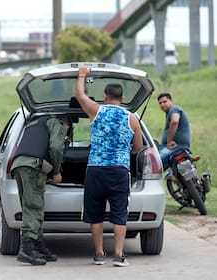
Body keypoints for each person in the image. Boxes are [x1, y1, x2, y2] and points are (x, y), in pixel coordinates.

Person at [75, 66, 143, 267]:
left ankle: (98, 254)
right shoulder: (132, 118)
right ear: (122, 98)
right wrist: (124, 149)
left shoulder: (96, 111)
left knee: (95, 214)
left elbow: (79, 95)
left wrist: (81, 75)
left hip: (96, 169)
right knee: (120, 213)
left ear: (105, 97)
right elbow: (138, 147)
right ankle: (119, 254)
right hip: (120, 171)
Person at [10, 115, 71, 265]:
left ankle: (39, 246)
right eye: (67, 131)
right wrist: (56, 171)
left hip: (18, 165)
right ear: (66, 124)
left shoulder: (34, 123)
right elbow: (56, 148)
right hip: (33, 167)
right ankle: (26, 250)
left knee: (29, 206)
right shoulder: (56, 123)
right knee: (33, 207)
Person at [157, 92, 191, 170]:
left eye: (165, 102)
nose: (162, 104)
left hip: (176, 147)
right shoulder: (169, 113)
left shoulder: (175, 109)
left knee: (155, 162)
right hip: (172, 147)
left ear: (171, 101)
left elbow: (175, 121)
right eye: (160, 103)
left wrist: (169, 142)